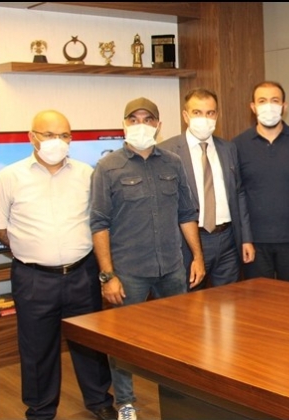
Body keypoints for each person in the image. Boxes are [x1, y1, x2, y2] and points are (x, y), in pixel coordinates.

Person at [0, 110, 117, 420]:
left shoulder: (86, 174)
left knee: (89, 342)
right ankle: (41, 410)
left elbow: (98, 221)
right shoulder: (9, 177)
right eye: (49, 135)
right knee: (37, 349)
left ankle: (100, 401)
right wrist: (28, 246)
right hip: (34, 278)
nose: (56, 141)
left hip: (82, 273)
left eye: (64, 135)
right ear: (32, 137)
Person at [90, 97, 205, 420]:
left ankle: (177, 396)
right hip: (129, 272)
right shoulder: (107, 167)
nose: (141, 124)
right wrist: (107, 275)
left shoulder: (172, 162)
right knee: (124, 341)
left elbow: (186, 213)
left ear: (158, 125)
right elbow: (99, 224)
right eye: (134, 119)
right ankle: (126, 403)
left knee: (179, 336)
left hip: (172, 267)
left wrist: (197, 257)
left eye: (148, 119)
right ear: (124, 124)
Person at [161, 88, 255, 290]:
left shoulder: (228, 148)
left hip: (228, 239)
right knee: (192, 303)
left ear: (217, 116)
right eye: (197, 112)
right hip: (189, 242)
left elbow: (239, 193)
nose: (204, 119)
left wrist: (246, 238)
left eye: (210, 113)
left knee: (228, 302)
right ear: (185, 116)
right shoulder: (167, 151)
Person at [232, 81, 289, 282]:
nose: (268, 106)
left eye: (275, 100)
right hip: (254, 242)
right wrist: (245, 238)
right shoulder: (237, 145)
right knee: (258, 298)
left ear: (284, 106)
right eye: (262, 101)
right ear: (253, 107)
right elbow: (237, 195)